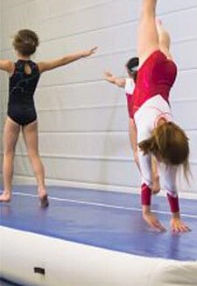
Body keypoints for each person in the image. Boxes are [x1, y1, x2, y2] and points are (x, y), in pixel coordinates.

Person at [129, 0, 191, 234]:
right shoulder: (146, 135)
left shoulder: (172, 136)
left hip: (168, 74)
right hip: (153, 71)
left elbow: (169, 183)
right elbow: (147, 178)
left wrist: (175, 216)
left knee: (161, 41)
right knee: (147, 11)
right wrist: (146, 211)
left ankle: (161, 31)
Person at [0, 29, 97, 206]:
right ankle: (42, 188)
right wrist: (82, 54)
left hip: (13, 114)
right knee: (34, 154)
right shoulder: (39, 67)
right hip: (31, 115)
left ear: (16, 47)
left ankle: (7, 192)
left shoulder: (10, 66)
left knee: (8, 154)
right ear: (33, 48)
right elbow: (62, 60)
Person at [103, 57, 160, 195]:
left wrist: (109, 78)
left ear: (129, 72)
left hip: (134, 120)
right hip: (147, 117)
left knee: (136, 152)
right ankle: (155, 174)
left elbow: (115, 80)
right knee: (151, 150)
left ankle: (148, 178)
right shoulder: (149, 83)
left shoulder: (127, 83)